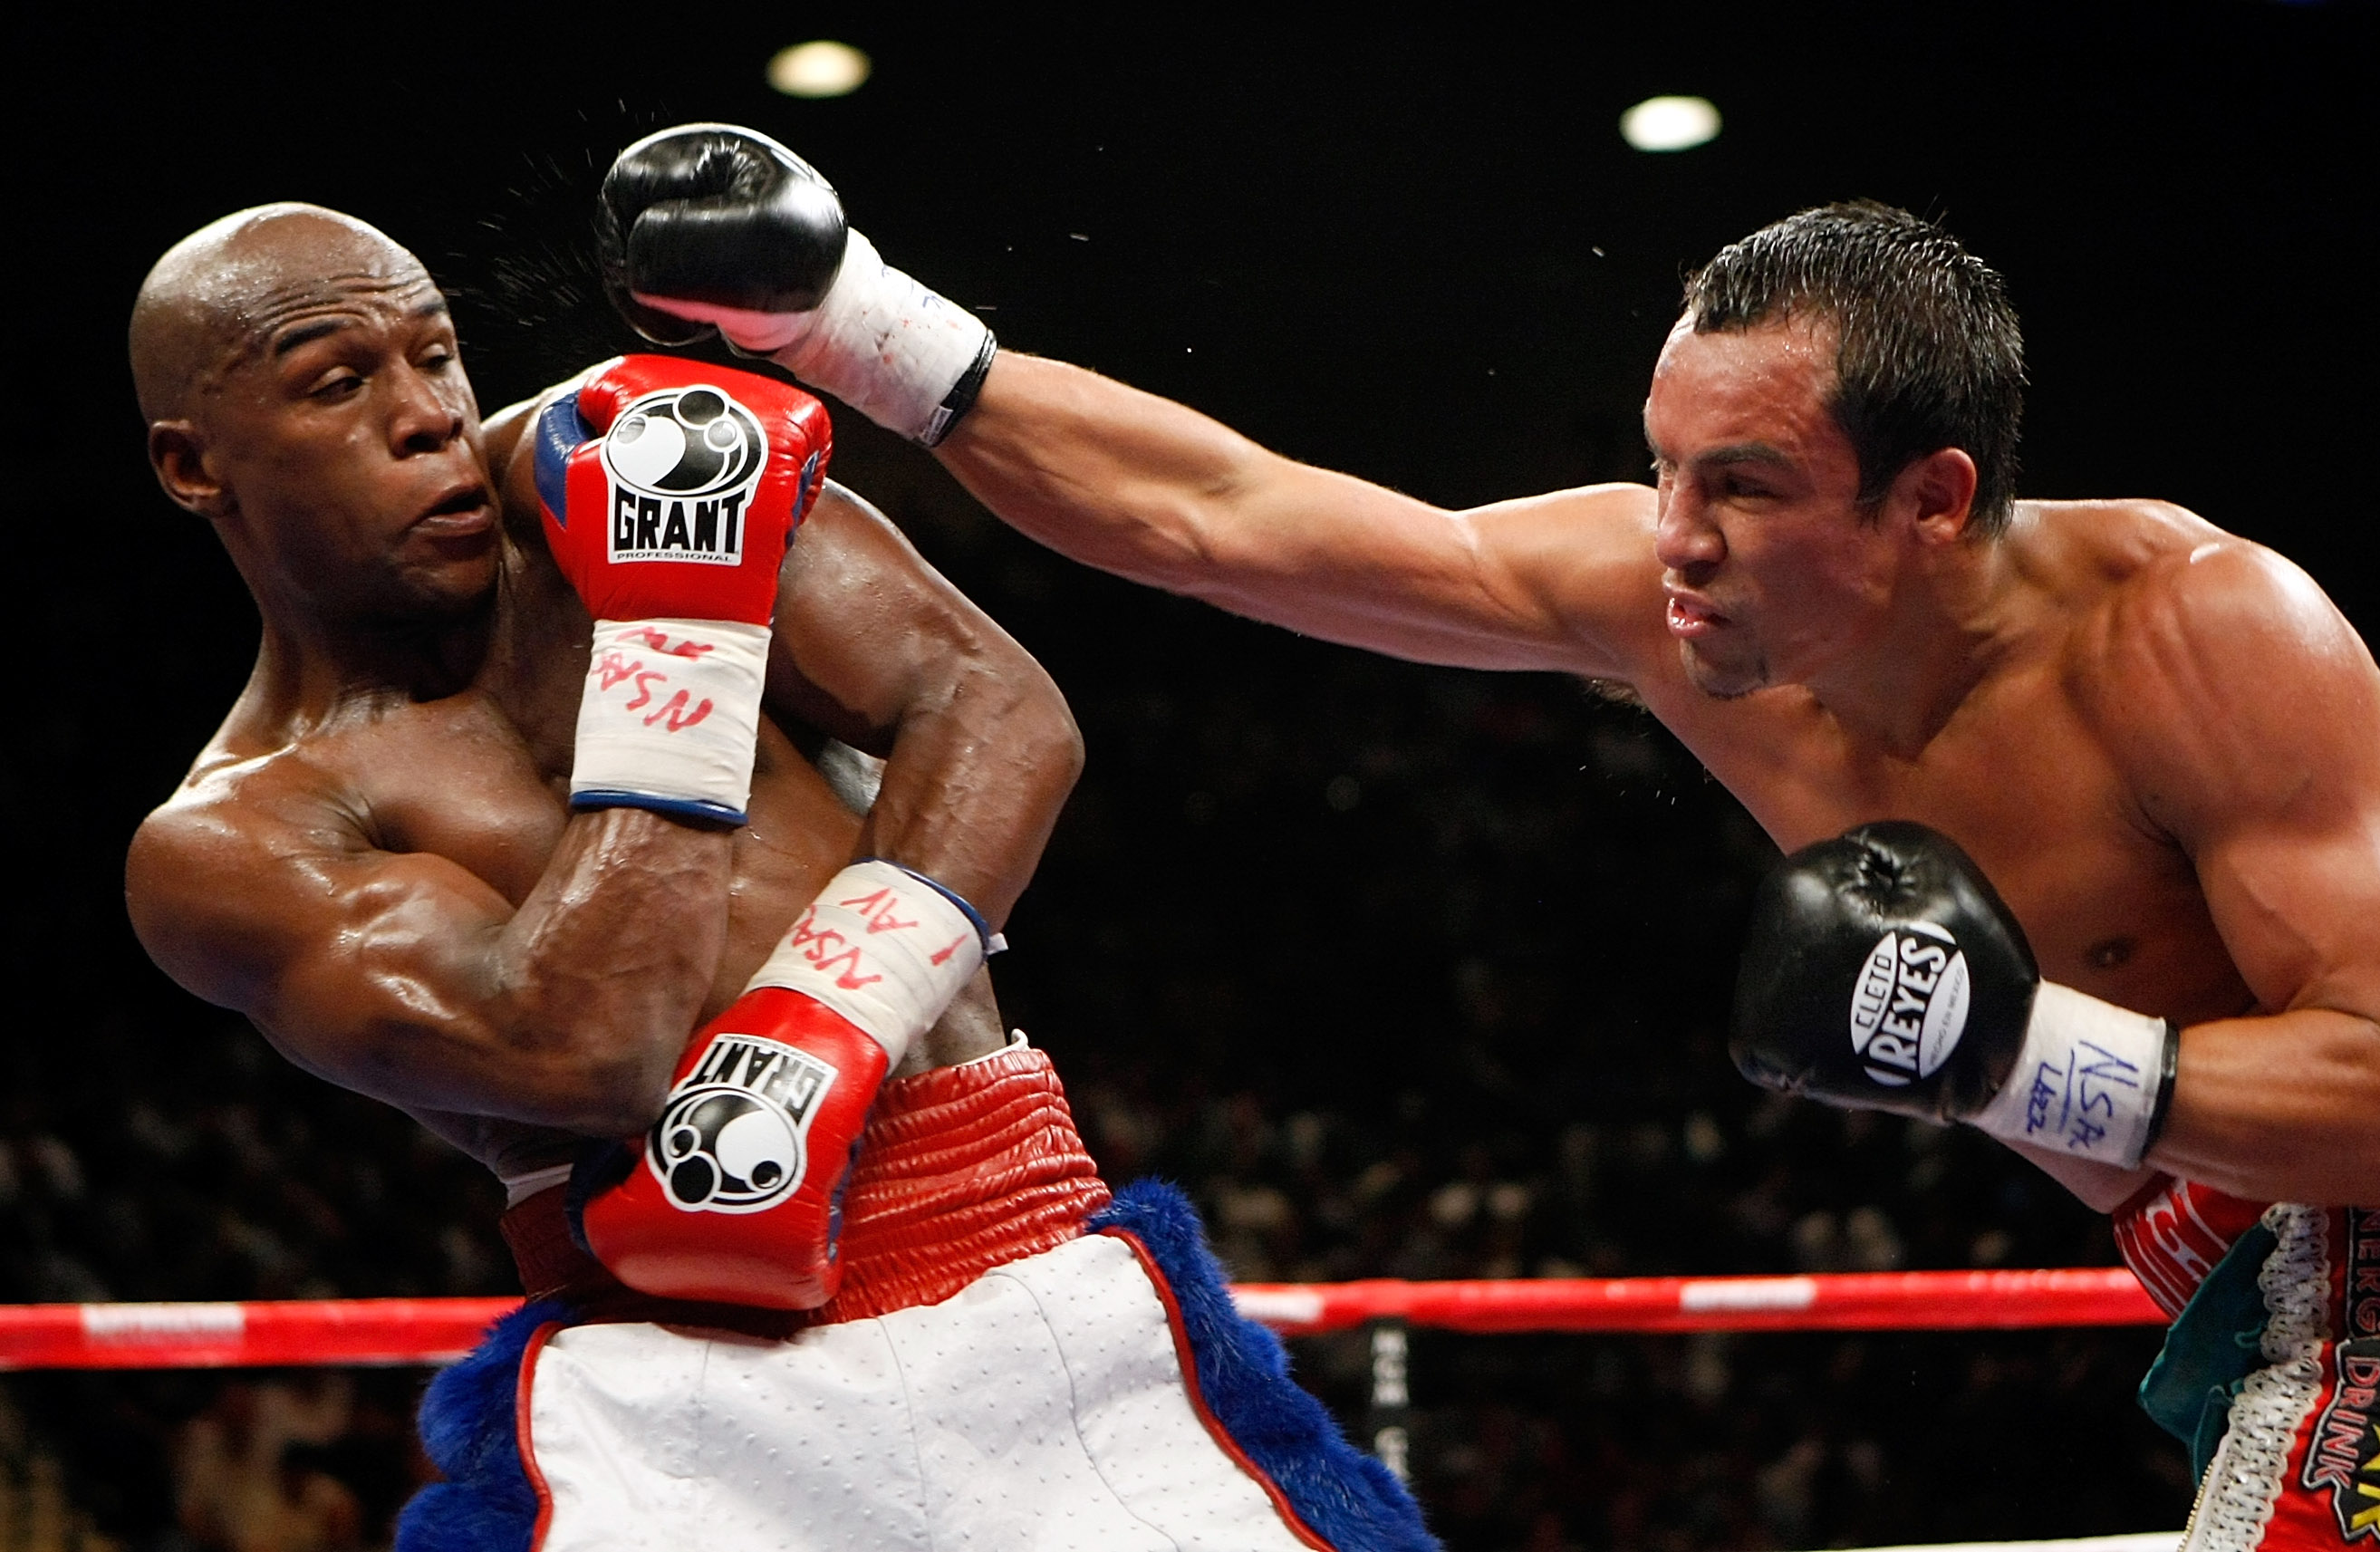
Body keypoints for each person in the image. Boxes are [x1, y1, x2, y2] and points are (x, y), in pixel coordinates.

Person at [591, 125, 2380, 1551]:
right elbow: (1233, 515)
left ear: (1933, 502)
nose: (1673, 543)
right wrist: (852, 319)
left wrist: (1999, 1048)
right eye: (1660, 466)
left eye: (1749, 490)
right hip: (2230, 1267)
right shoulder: (1666, 607)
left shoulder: (2201, 633)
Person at [122, 200, 1431, 1551]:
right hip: (670, 1407)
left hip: (1018, 1272)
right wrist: (680, 630)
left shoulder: (629, 451)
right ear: (193, 464)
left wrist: (826, 1022)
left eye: (435, 354)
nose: (426, 414)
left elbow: (992, 710)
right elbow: (584, 1051)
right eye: (340, 383)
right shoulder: (235, 843)